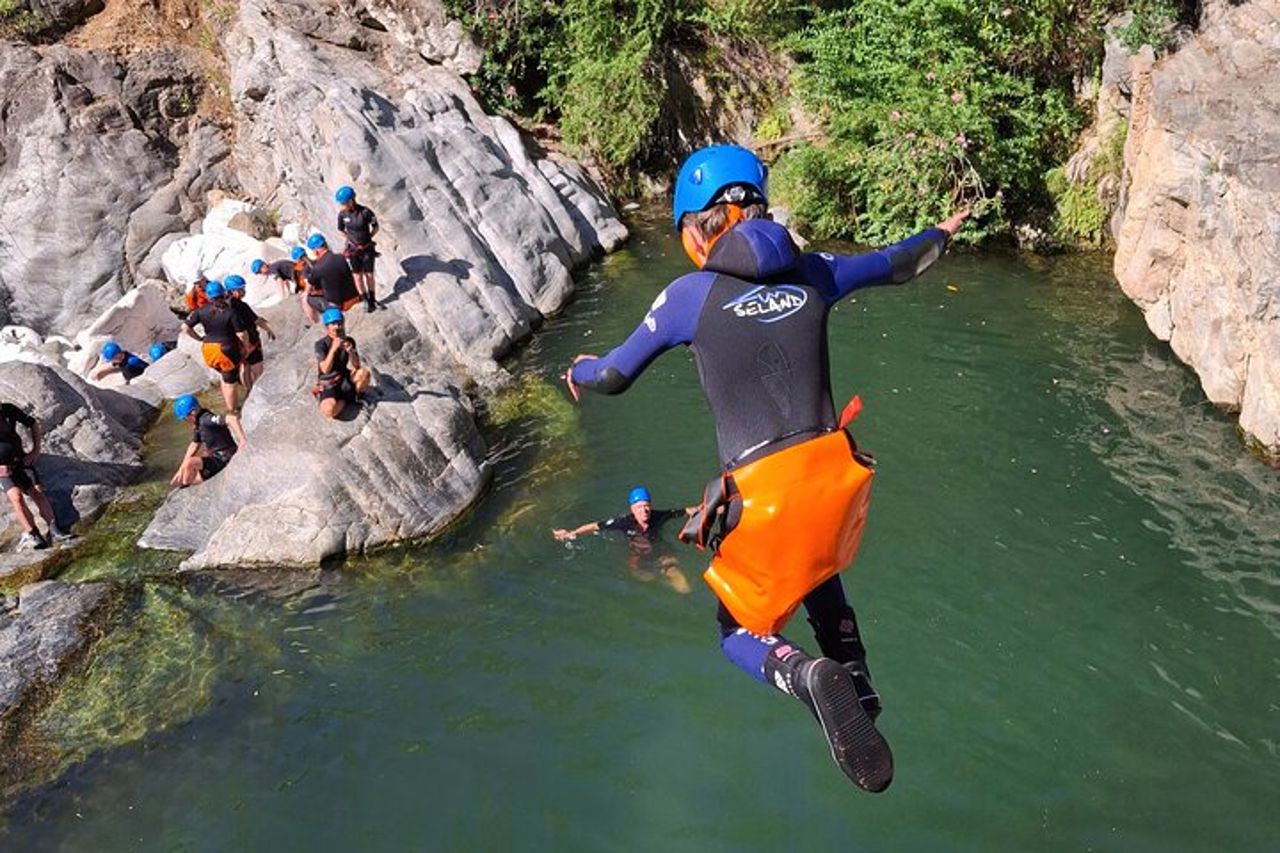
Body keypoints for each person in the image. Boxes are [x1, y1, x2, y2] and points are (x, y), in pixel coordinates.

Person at [565, 144, 969, 793]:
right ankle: (855, 677)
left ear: (694, 230)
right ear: (760, 205)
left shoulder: (687, 296)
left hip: (761, 497)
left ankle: (803, 674)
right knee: (819, 568)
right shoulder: (814, 271)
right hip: (836, 479)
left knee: (736, 630)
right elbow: (895, 264)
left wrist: (577, 368)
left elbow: (612, 375)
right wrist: (941, 234)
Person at [553, 486, 694, 593]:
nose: (644, 510)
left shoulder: (658, 516)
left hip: (662, 553)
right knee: (646, 578)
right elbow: (595, 525)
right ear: (632, 509)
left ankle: (668, 579)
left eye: (647, 506)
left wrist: (706, 508)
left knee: (684, 588)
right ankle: (660, 580)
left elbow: (683, 511)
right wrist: (573, 533)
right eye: (639, 507)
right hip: (638, 556)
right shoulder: (624, 522)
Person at [0, 400, 73, 549]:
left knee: (38, 492)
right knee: (17, 498)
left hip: (21, 461)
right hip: (2, 470)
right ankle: (33, 534)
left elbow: (32, 423)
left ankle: (54, 531)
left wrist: (35, 450)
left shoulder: (8, 410)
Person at [180, 280, 250, 413]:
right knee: (230, 382)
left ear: (208, 296)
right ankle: (232, 411)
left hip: (208, 349)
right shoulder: (230, 312)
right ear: (223, 293)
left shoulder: (200, 311)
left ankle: (230, 405)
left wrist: (199, 338)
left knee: (225, 377)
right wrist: (246, 347)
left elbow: (185, 327)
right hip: (226, 349)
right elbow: (241, 334)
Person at [170, 394, 246, 487]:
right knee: (191, 475)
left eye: (185, 418)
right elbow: (194, 445)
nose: (186, 421)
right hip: (216, 458)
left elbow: (231, 418)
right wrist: (181, 469)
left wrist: (242, 440)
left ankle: (185, 484)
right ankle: (185, 483)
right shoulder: (199, 424)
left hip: (224, 458)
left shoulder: (207, 419)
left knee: (190, 463)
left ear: (192, 413)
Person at [314, 308, 371, 419]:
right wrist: (333, 349)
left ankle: (354, 396)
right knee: (329, 411)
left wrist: (351, 352)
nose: (337, 326)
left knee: (364, 374)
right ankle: (345, 400)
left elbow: (356, 366)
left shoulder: (349, 340)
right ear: (327, 327)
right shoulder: (321, 344)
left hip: (344, 378)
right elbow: (325, 369)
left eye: (339, 323)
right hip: (329, 382)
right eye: (333, 324)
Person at [225, 274, 276, 391]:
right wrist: (269, 330)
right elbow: (256, 320)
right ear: (233, 290)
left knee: (244, 366)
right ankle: (260, 392)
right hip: (250, 341)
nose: (244, 291)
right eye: (241, 289)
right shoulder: (241, 306)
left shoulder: (224, 305)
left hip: (236, 343)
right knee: (257, 368)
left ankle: (248, 390)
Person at [335, 185, 380, 312]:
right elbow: (340, 229)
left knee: (369, 275)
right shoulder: (342, 214)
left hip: (367, 248)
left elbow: (375, 226)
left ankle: (372, 299)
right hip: (353, 250)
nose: (342, 205)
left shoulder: (365, 212)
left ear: (351, 200)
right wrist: (349, 239)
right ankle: (364, 299)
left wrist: (369, 238)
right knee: (357, 276)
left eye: (343, 203)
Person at [305, 234, 361, 315]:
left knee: (307, 298)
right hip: (354, 298)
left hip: (339, 306)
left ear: (316, 251)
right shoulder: (341, 257)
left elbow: (308, 289)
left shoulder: (317, 268)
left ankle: (319, 321)